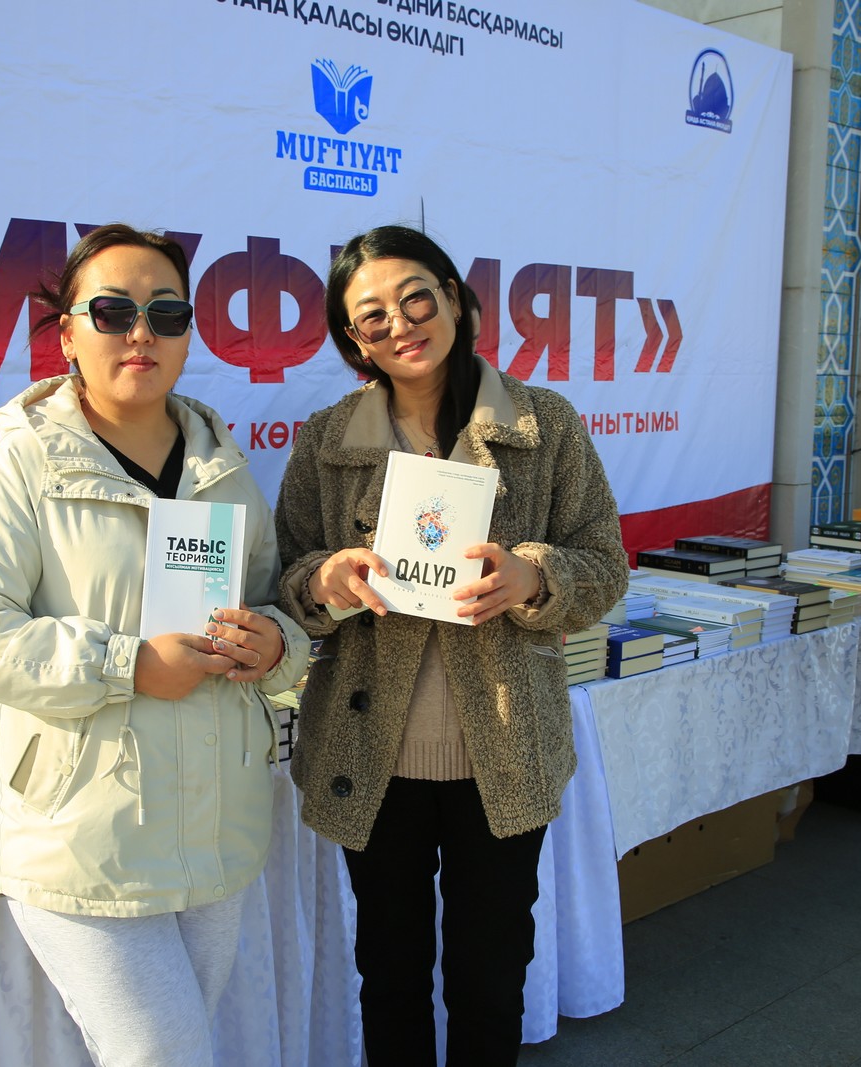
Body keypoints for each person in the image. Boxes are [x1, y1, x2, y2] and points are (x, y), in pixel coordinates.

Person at [0, 223, 309, 1066]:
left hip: (216, 822)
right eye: (113, 311)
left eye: (166, 314)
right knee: (164, 1052)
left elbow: (272, 608)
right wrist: (127, 664)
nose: (142, 333)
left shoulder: (224, 470)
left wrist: (273, 644)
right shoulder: (23, 468)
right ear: (66, 334)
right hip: (84, 835)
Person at [273, 224, 629, 1065]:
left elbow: (606, 563)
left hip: (503, 747)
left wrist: (533, 575)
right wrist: (326, 582)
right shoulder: (327, 441)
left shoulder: (544, 425)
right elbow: (285, 580)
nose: (400, 324)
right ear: (353, 339)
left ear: (458, 300)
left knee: (490, 976)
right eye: (372, 316)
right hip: (371, 752)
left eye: (416, 299)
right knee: (389, 971)